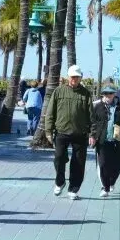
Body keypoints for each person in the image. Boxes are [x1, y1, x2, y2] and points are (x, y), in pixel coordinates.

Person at [45, 64, 93, 199]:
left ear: (80, 78)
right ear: (68, 77)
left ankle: (73, 189)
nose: (74, 79)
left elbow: (91, 115)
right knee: (59, 158)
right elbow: (50, 112)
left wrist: (92, 133)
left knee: (78, 163)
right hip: (61, 132)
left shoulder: (86, 93)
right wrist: (48, 131)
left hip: (80, 133)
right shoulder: (59, 91)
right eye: (72, 76)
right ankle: (60, 182)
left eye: (77, 77)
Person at [92, 86, 120, 197]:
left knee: (117, 165)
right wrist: (92, 136)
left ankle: (112, 182)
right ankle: (105, 188)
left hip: (117, 140)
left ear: (114, 94)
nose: (108, 96)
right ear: (103, 95)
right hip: (102, 140)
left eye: (110, 93)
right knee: (103, 164)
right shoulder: (98, 107)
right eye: (105, 93)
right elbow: (93, 123)